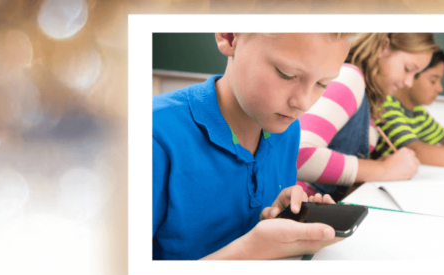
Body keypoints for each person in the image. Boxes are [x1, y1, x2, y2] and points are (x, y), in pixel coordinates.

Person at [152, 33, 355, 260]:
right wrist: (251, 251)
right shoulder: (153, 136)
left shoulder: (287, 128)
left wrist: (278, 219)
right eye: (286, 74)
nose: (304, 104)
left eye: (322, 83)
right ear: (230, 36)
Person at [296, 33, 438, 200]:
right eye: (407, 69)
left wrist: (380, 166)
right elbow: (299, 156)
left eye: (415, 75)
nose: (409, 83)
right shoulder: (351, 77)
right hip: (295, 205)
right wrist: (383, 169)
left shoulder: (367, 99)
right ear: (383, 48)